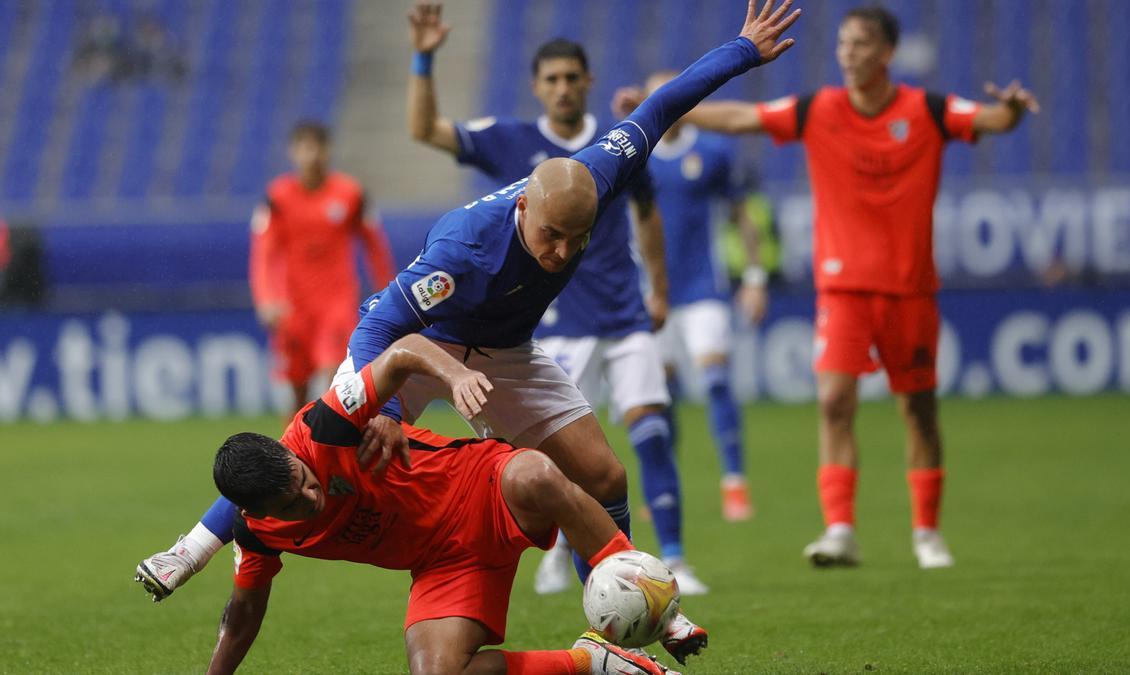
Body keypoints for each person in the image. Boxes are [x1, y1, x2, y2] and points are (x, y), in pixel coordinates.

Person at [135, 1, 800, 664]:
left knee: (604, 473)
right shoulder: (464, 248)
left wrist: (743, 48)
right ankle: (191, 548)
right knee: (305, 440)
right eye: (549, 235)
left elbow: (660, 108)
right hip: (422, 344)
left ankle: (649, 608)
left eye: (577, 238)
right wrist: (389, 410)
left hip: (506, 351)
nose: (562, 252)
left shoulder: (593, 173)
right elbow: (386, 325)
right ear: (521, 206)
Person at [645, 5, 1038, 568]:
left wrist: (1014, 112)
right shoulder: (819, 109)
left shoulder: (926, 109)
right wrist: (669, 102)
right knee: (833, 402)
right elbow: (739, 119)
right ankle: (839, 530)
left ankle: (927, 533)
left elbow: (994, 121)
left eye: (860, 45)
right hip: (843, 290)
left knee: (919, 410)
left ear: (886, 53)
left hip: (909, 290)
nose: (848, 54)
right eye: (843, 45)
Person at [405, 3, 703, 595]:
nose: (563, 88)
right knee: (563, 456)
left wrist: (659, 288)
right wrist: (425, 57)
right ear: (537, 88)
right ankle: (562, 546)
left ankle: (673, 555)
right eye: (552, 79)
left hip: (623, 311)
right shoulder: (512, 141)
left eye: (573, 77)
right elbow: (424, 130)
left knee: (649, 430)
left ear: (587, 82)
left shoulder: (613, 150)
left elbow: (648, 216)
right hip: (553, 325)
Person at [199, 332, 683, 675]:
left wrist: (455, 377)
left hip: (482, 485)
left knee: (538, 472)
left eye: (303, 479)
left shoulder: (322, 425)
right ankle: (592, 662)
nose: (311, 496)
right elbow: (242, 614)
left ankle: (649, 591)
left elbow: (403, 351)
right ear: (258, 513)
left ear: (289, 454)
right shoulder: (257, 534)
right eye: (293, 503)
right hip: (443, 565)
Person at [637, 70, 769, 523]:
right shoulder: (637, 156)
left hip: (703, 288)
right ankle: (664, 488)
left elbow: (742, 217)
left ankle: (735, 483)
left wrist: (754, 276)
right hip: (655, 294)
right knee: (663, 394)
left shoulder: (711, 152)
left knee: (715, 380)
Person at [249, 121, 396, 418]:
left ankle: (330, 455)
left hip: (336, 304)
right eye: (305, 147)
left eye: (318, 147)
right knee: (297, 392)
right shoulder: (277, 198)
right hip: (294, 308)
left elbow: (375, 248)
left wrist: (388, 294)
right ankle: (293, 454)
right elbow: (263, 253)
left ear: (328, 151)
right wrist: (266, 299)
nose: (312, 154)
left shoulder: (350, 194)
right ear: (293, 152)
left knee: (334, 383)